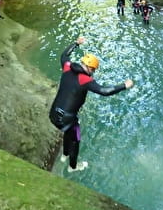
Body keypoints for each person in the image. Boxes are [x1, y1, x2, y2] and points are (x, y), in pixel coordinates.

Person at [49, 37, 134, 172]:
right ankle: (73, 167)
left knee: (68, 131)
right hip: (67, 118)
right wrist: (124, 85)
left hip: (53, 113)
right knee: (75, 139)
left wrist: (76, 43)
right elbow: (104, 91)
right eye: (93, 70)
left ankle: (64, 155)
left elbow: (64, 55)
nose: (93, 73)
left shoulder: (67, 67)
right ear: (89, 67)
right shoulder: (85, 79)